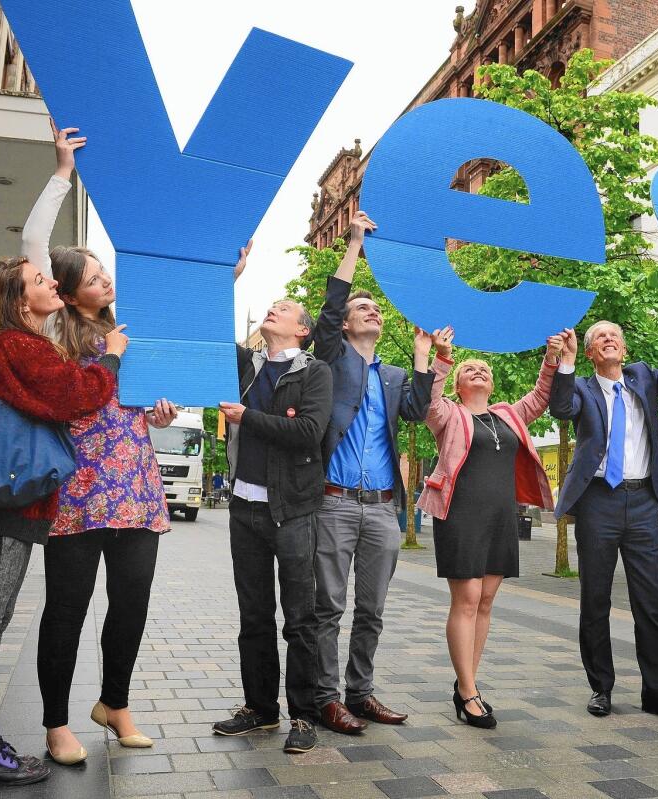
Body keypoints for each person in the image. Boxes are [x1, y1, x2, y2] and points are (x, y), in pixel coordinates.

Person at [21, 122, 177, 765]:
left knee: (132, 603)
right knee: (66, 608)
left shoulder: (128, 332)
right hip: (79, 488)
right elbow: (32, 245)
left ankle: (114, 702)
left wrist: (160, 416)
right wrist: (63, 173)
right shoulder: (54, 326)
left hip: (136, 488)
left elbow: (136, 403)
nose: (104, 279)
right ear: (64, 286)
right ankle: (57, 724)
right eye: (89, 273)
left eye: (103, 271)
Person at [0, 255, 126, 787]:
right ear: (21, 300)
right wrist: (111, 358)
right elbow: (79, 396)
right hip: (7, 505)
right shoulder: (16, 343)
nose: (51, 281)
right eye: (40, 279)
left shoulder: (13, 342)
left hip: (8, 504)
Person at [300, 211, 433, 734]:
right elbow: (331, 309)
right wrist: (354, 243)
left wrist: (423, 357)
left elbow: (418, 412)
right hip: (333, 502)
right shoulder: (330, 360)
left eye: (375, 306)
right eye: (362, 306)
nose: (370, 309)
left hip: (382, 508)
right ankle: (326, 698)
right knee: (328, 607)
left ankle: (361, 693)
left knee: (371, 609)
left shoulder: (395, 374)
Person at [549, 300, 658, 723]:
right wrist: (564, 364)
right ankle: (601, 687)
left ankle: (657, 691)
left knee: (650, 604)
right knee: (595, 599)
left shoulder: (641, 377)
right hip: (598, 500)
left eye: (615, 334)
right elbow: (560, 409)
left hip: (642, 502)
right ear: (592, 353)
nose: (610, 338)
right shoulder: (580, 387)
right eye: (601, 336)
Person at [420, 326, 562, 728]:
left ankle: (468, 683)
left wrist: (550, 357)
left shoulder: (508, 415)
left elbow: (540, 396)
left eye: (483, 368)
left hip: (501, 517)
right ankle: (468, 693)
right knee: (466, 600)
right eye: (470, 369)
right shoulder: (449, 414)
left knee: (485, 602)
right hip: (460, 515)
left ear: (493, 382)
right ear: (460, 383)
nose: (478, 371)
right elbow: (429, 401)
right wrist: (444, 358)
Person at [214, 297, 332, 754]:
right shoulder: (248, 366)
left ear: (302, 330)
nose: (272, 310)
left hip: (294, 509)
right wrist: (229, 277)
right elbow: (210, 331)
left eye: (283, 309)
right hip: (244, 508)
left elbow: (308, 431)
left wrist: (250, 418)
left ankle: (304, 716)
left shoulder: (314, 372)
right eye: (271, 306)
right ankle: (260, 710)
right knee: (254, 615)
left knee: (301, 618)